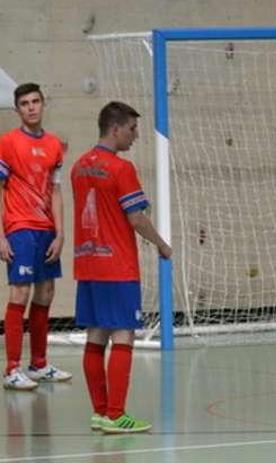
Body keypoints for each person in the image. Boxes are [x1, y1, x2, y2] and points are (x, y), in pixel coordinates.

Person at [71, 101, 173, 434]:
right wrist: (160, 243)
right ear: (114, 129)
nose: (136, 135)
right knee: (124, 334)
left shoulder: (78, 166)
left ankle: (100, 412)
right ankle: (116, 414)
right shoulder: (121, 168)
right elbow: (136, 218)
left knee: (96, 334)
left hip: (87, 262)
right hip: (117, 265)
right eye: (132, 129)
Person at [0, 82, 72, 390]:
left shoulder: (54, 145)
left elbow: (56, 191)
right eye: (24, 103)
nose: (31, 107)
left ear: (43, 103)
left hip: (46, 230)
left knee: (46, 293)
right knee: (19, 294)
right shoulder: (7, 143)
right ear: (17, 109)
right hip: (19, 228)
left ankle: (38, 364)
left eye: (36, 101)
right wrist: (0, 235)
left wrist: (61, 233)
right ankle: (11, 369)